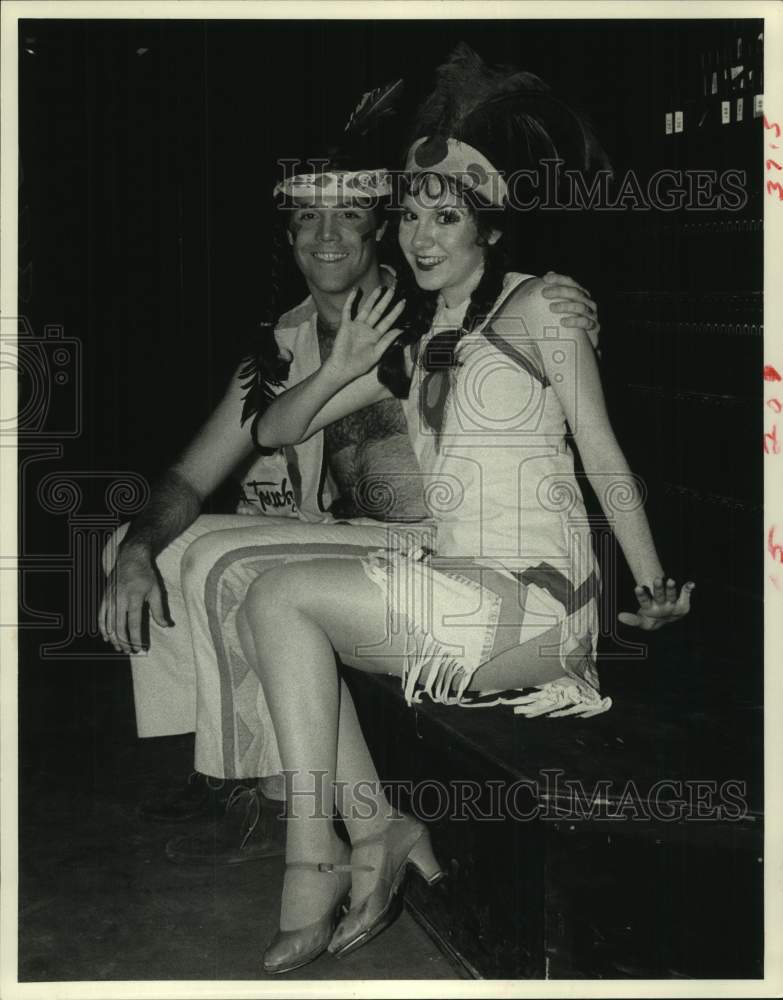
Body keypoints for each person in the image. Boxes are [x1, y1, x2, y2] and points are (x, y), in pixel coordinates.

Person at [234, 45, 695, 974]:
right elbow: (274, 430)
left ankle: (320, 859)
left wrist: (650, 586)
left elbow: (602, 451)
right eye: (409, 215)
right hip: (461, 583)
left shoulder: (540, 307)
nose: (419, 236)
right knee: (269, 600)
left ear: (488, 226)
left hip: (538, 605)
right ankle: (377, 831)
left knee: (279, 599)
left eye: (445, 216)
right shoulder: (417, 337)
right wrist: (339, 363)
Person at [98, 76, 600, 863]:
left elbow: (509, 304)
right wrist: (133, 553)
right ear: (288, 236)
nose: (326, 235)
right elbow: (190, 476)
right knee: (143, 544)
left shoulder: (432, 312)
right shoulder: (276, 349)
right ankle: (242, 770)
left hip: (440, 551)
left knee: (221, 561)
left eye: (349, 215)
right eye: (307, 218)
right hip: (341, 537)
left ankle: (263, 789)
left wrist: (566, 303)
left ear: (381, 230)